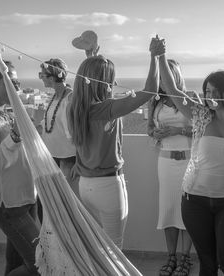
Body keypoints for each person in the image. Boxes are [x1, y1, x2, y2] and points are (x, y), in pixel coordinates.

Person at [155, 38, 224, 276]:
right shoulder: (201, 116)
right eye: (207, 91)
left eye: (215, 92)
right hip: (195, 200)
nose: (209, 96)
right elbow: (174, 91)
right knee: (206, 262)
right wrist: (160, 56)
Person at [67, 38, 160, 249]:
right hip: (108, 187)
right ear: (104, 82)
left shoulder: (75, 108)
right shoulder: (107, 109)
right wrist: (154, 56)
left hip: (85, 186)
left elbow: (89, 85)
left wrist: (92, 58)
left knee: (96, 248)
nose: (114, 84)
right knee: (113, 250)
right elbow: (151, 89)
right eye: (111, 80)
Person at [0, 60, 40, 275]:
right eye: (9, 81)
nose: (16, 86)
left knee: (15, 262)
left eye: (16, 81)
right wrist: (15, 135)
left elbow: (20, 155)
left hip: (26, 198)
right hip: (10, 205)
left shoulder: (7, 113)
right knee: (41, 262)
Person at [147, 59, 194, 276]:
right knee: (168, 209)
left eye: (168, 76)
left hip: (188, 162)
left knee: (188, 211)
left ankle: (186, 258)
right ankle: (171, 256)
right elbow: (149, 129)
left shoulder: (190, 98)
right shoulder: (155, 101)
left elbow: (202, 130)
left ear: (175, 76)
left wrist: (177, 131)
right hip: (165, 162)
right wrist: (155, 133)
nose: (163, 81)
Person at [39, 58, 77, 199]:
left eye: (43, 75)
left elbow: (77, 130)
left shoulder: (71, 97)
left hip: (68, 159)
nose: (41, 78)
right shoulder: (54, 97)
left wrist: (79, 162)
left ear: (53, 77)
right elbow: (47, 124)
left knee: (66, 201)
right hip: (51, 157)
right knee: (49, 200)